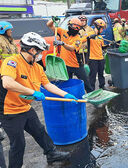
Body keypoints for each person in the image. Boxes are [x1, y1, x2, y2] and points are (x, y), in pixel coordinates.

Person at [0, 32, 77, 168]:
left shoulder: (37, 67)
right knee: (18, 144)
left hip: (25, 107)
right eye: (40, 51)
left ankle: (51, 154)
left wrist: (65, 95)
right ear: (32, 50)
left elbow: (48, 85)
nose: (41, 54)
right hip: (9, 111)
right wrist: (33, 92)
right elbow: (7, 83)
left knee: (39, 131)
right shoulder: (12, 62)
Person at [47, 17, 93, 93]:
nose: (75, 30)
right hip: (65, 65)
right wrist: (53, 20)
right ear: (69, 26)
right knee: (64, 83)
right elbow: (49, 25)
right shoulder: (62, 32)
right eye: (74, 28)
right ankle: (65, 97)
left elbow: (72, 48)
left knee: (86, 83)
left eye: (77, 29)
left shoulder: (78, 39)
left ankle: (92, 96)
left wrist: (62, 43)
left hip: (76, 65)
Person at [85, 19, 111, 91]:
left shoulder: (100, 37)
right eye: (102, 28)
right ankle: (91, 89)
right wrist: (90, 37)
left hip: (100, 58)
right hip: (92, 58)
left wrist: (109, 45)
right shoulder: (90, 34)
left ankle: (102, 85)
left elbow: (102, 47)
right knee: (92, 75)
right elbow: (84, 38)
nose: (103, 30)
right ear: (98, 27)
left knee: (101, 74)